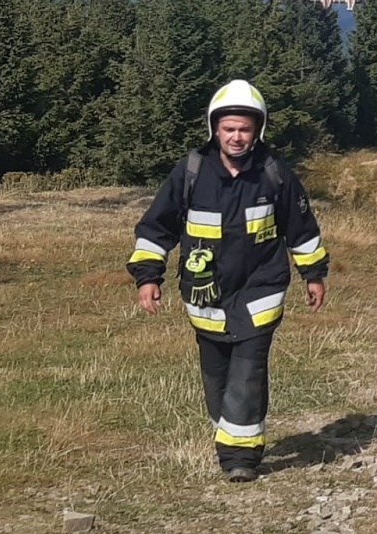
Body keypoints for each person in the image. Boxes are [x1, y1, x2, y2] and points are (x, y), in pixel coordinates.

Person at [127, 80, 328, 482]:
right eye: (229, 129)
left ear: (258, 130)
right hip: (205, 298)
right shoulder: (191, 173)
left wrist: (314, 274)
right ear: (214, 129)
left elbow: (301, 229)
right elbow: (156, 228)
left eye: (244, 129)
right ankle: (236, 432)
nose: (236, 137)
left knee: (248, 370)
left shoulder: (275, 174)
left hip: (261, 292)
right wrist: (148, 278)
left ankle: (239, 459)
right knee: (216, 377)